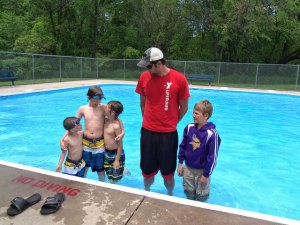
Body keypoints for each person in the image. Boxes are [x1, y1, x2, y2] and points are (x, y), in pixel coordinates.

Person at [135, 47, 190, 195]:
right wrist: (148, 120)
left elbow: (184, 106)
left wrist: (172, 122)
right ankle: (146, 192)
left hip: (168, 135)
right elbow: (142, 103)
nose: (147, 69)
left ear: (159, 63)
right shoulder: (144, 78)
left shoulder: (179, 79)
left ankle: (170, 195)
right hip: (147, 133)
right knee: (147, 171)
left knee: (168, 173)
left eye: (149, 66)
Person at [60, 86, 124, 181]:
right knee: (85, 167)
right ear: (88, 97)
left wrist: (123, 131)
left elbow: (116, 118)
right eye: (96, 99)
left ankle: (102, 186)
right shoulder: (82, 109)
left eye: (100, 99)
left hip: (100, 145)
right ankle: (83, 183)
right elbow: (72, 124)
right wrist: (62, 139)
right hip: (86, 144)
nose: (98, 102)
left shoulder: (103, 108)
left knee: (100, 169)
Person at [177, 100, 221, 202]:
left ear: (206, 115)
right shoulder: (189, 128)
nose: (193, 115)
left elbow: (212, 158)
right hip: (188, 168)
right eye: (193, 112)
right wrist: (180, 163)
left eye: (196, 113)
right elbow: (183, 146)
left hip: (202, 171)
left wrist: (206, 175)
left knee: (202, 196)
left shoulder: (212, 134)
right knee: (188, 192)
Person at [103, 100, 126, 183]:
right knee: (109, 174)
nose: (104, 108)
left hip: (116, 154)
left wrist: (117, 160)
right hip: (106, 152)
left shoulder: (116, 126)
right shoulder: (105, 120)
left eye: (106, 107)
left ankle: (125, 172)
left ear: (112, 112)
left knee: (115, 179)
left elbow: (120, 145)